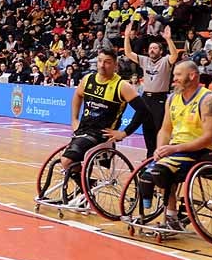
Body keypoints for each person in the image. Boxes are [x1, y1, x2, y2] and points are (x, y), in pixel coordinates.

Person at [138, 61, 212, 231]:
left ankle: (172, 217)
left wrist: (175, 149)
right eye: (174, 75)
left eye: (178, 75)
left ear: (192, 76)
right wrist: (159, 150)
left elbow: (209, 137)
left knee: (161, 172)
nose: (173, 79)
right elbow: (165, 130)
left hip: (202, 151)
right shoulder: (172, 98)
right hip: (176, 150)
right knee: (145, 174)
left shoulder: (208, 100)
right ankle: (154, 210)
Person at [59, 49, 150, 183]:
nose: (102, 65)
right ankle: (86, 188)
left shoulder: (122, 86)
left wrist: (124, 133)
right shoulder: (88, 79)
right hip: (83, 130)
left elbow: (143, 110)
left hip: (101, 134)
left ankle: (87, 189)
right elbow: (78, 95)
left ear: (115, 65)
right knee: (71, 161)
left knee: (66, 160)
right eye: (100, 61)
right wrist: (74, 119)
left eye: (107, 62)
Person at [123, 24, 178, 158]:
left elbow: (174, 55)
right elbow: (128, 53)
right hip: (146, 98)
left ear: (160, 51)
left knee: (159, 129)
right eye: (150, 48)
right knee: (147, 129)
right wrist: (126, 36)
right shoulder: (144, 60)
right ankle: (149, 157)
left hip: (160, 99)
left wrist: (168, 39)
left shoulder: (165, 61)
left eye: (155, 48)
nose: (152, 50)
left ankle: (160, 157)